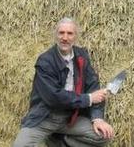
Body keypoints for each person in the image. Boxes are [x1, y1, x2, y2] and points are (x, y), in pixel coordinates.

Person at [13, 17, 114, 147]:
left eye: (70, 33)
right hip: (45, 117)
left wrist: (97, 118)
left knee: (103, 136)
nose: (65, 38)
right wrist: (88, 99)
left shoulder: (82, 56)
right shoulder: (45, 61)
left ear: (75, 36)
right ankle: (53, 137)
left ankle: (61, 141)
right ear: (56, 35)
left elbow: (93, 87)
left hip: (70, 118)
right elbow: (54, 97)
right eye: (61, 33)